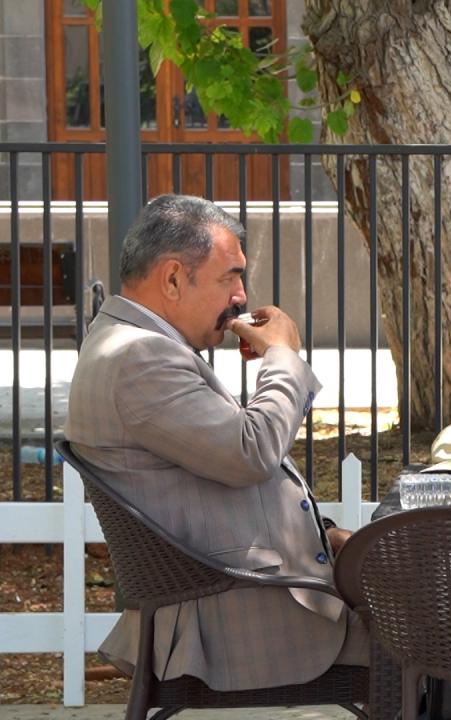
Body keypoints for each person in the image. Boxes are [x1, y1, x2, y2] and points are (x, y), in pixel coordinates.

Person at [64, 194, 367, 692]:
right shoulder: (139, 358)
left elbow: (210, 484)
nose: (241, 296)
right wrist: (284, 357)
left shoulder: (128, 342)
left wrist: (324, 537)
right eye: (230, 277)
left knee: (431, 613)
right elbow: (252, 452)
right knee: (436, 636)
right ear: (172, 279)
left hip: (234, 594)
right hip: (237, 619)